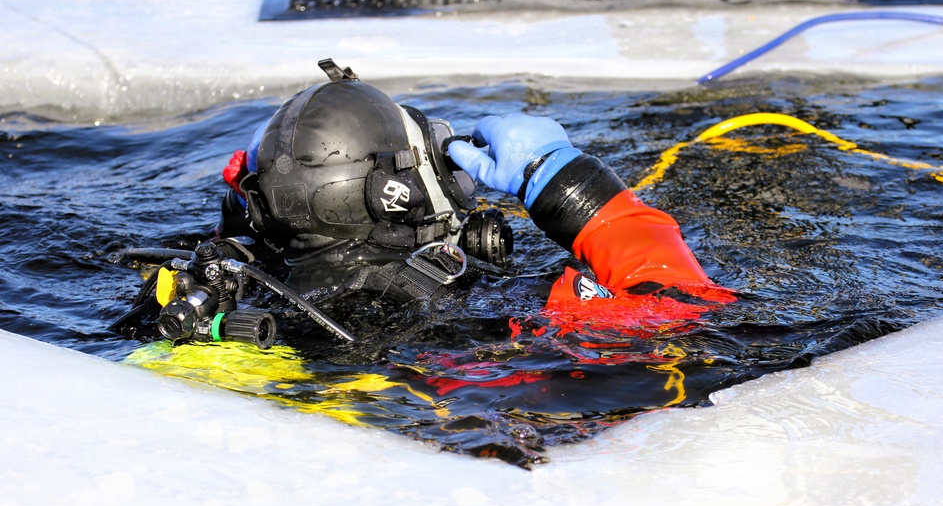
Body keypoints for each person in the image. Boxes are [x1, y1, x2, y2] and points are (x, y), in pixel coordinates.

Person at [216, 60, 734, 323]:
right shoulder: (494, 307)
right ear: (398, 191)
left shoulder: (236, 293)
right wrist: (571, 186)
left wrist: (248, 210)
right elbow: (690, 322)